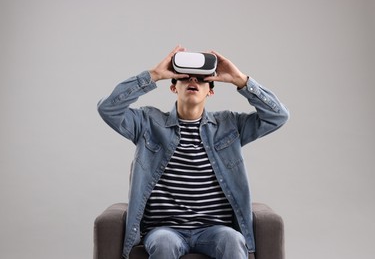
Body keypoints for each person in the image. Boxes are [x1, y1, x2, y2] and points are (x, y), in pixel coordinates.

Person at [97, 45, 289, 259]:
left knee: (233, 240)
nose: (193, 81)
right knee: (163, 244)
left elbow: (277, 116)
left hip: (215, 229)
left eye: (201, 79)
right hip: (164, 230)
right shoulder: (148, 123)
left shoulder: (229, 125)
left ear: (211, 90)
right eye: (185, 77)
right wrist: (154, 75)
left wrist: (240, 80)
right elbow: (108, 109)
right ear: (173, 87)